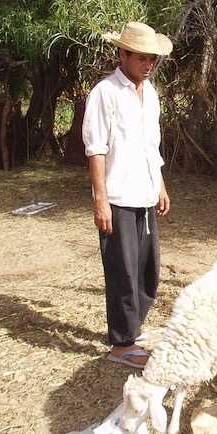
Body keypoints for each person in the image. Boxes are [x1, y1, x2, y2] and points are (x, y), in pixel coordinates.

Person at [82, 22, 172, 368]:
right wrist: (100, 199)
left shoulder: (150, 93)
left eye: (153, 59)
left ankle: (133, 327)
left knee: (147, 269)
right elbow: (96, 149)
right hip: (117, 196)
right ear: (123, 54)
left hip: (145, 193)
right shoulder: (105, 92)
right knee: (123, 271)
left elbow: (152, 145)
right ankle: (121, 344)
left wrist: (160, 184)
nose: (148, 65)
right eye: (142, 58)